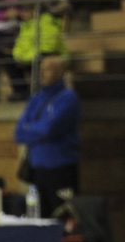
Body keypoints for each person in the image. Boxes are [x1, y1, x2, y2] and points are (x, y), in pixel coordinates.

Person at [14, 55, 80, 218]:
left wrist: (32, 128)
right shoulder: (36, 99)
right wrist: (40, 132)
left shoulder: (68, 98)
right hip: (37, 171)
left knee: (63, 217)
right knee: (38, 218)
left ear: (60, 73)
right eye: (40, 70)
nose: (42, 74)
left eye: (47, 70)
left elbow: (50, 129)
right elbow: (19, 133)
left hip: (60, 170)